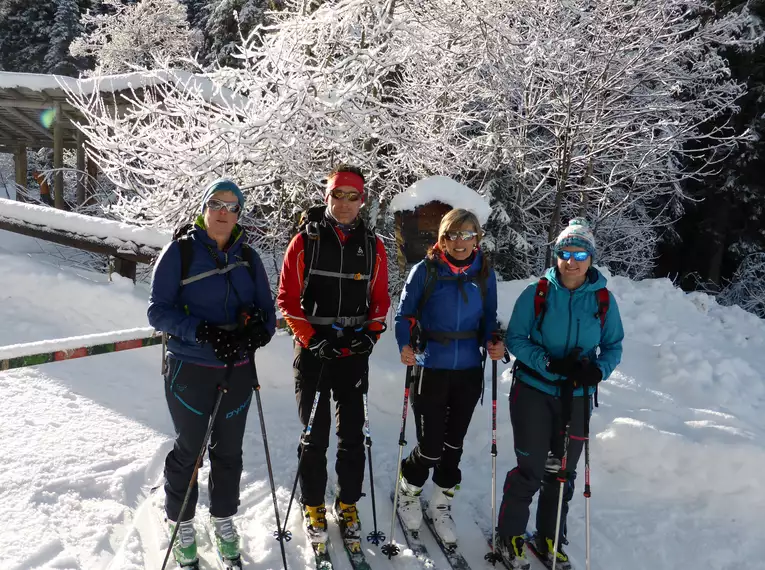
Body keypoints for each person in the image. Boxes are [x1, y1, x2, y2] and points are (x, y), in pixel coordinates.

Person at [148, 178, 276, 568]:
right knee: (190, 447)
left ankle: (222, 518)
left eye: (232, 206)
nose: (223, 212)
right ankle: (181, 520)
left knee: (230, 451)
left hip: (237, 369)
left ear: (239, 214)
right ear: (204, 208)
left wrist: (256, 333)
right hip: (191, 368)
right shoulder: (180, 253)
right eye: (216, 204)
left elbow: (268, 315)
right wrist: (201, 332)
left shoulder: (249, 258)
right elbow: (158, 311)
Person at [495, 218, 624, 569]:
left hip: (578, 396)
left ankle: (549, 534)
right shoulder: (537, 293)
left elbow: (614, 345)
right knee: (531, 470)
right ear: (556, 256)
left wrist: (597, 371)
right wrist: (548, 362)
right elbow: (516, 339)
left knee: (562, 471)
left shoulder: (602, 300)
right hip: (534, 390)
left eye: (580, 253)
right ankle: (509, 535)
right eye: (565, 253)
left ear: (591, 258)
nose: (572, 260)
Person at [276, 164, 390, 549]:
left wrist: (372, 334)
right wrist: (310, 339)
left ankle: (347, 502)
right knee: (314, 434)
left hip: (353, 348)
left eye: (352, 196)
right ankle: (312, 504)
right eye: (337, 194)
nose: (344, 203)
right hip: (313, 349)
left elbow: (380, 300)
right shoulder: (305, 240)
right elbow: (288, 300)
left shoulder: (374, 246)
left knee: (353, 433)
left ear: (363, 200)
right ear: (327, 196)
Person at [393, 207, 505, 546]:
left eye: (467, 234)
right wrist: (405, 344)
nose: (460, 242)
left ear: (477, 238)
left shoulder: (484, 274)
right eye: (453, 235)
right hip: (431, 366)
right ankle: (408, 491)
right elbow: (404, 315)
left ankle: (441, 504)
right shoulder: (424, 271)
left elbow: (489, 319)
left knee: (453, 446)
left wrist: (493, 342)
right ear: (442, 238)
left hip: (469, 370)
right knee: (429, 448)